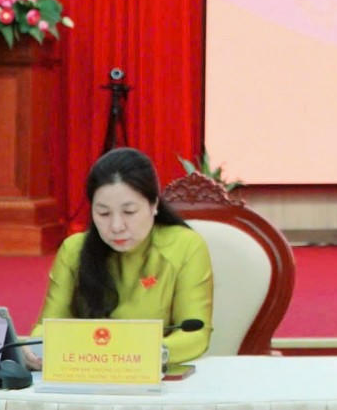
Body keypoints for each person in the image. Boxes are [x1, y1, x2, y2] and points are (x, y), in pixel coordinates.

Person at [24, 147, 213, 369]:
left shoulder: (185, 247)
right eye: (103, 213)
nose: (116, 226)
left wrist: (135, 353)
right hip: (87, 373)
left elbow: (196, 334)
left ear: (154, 205)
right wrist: (36, 348)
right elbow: (48, 325)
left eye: (129, 212)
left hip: (154, 374)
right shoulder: (74, 250)